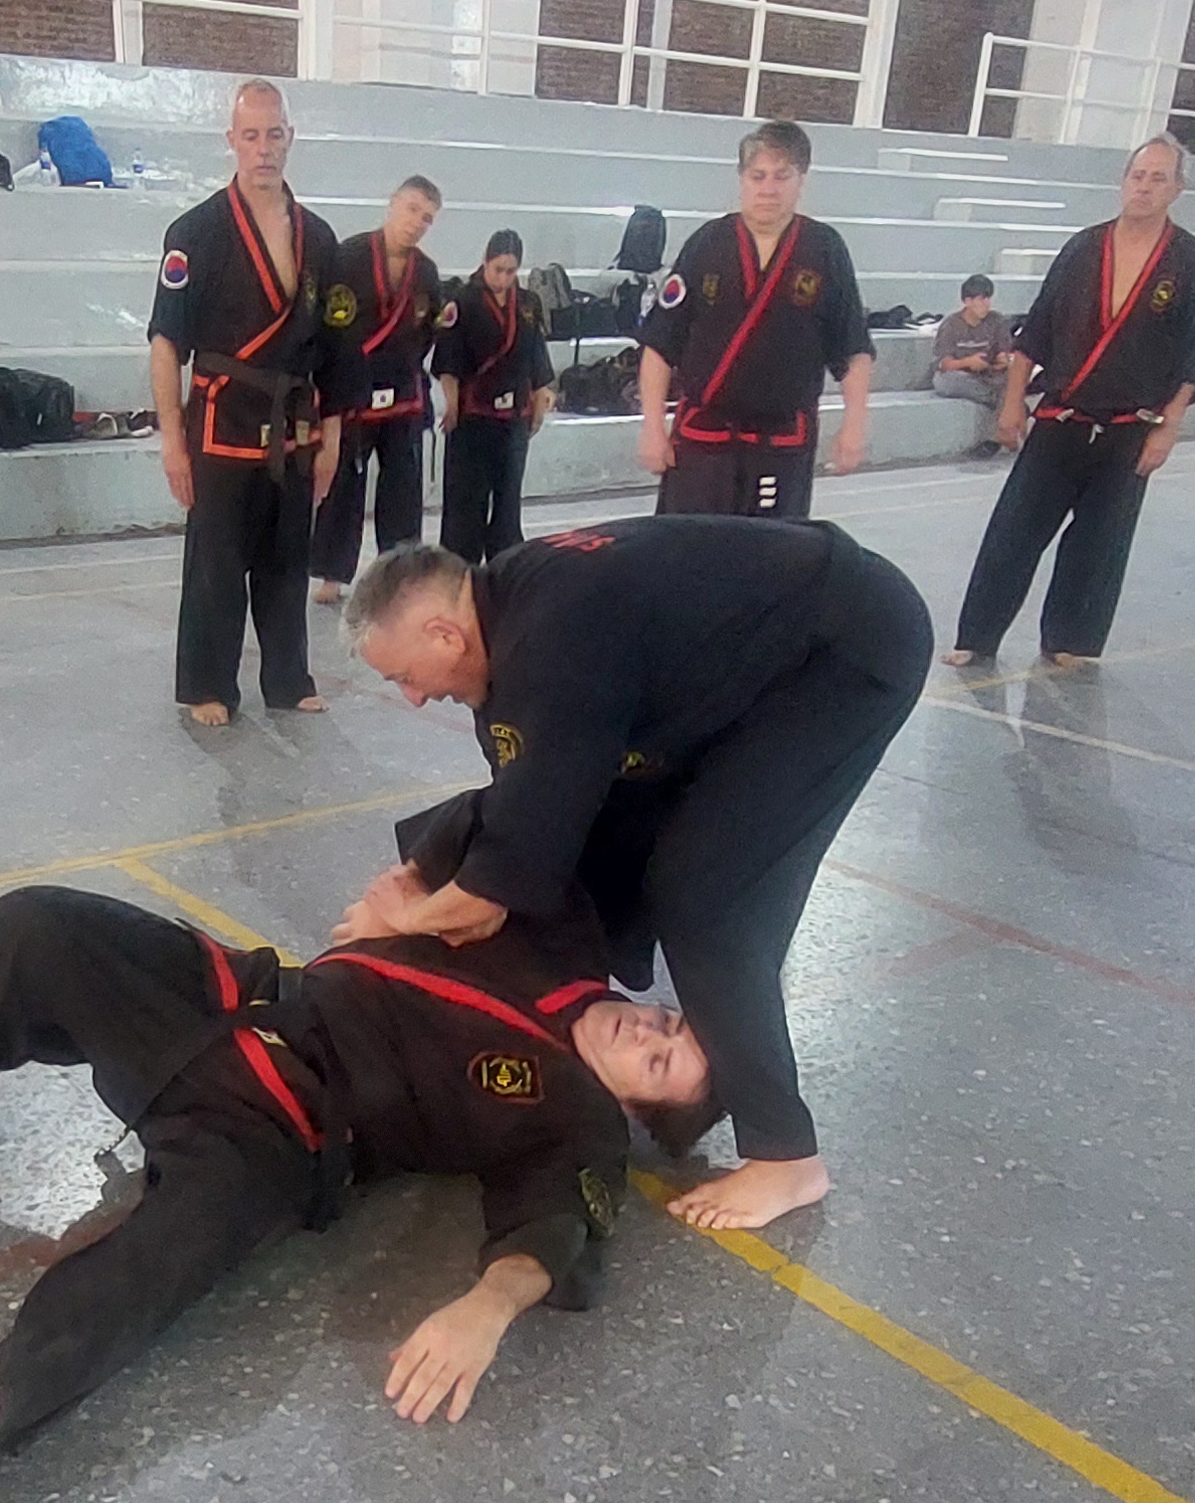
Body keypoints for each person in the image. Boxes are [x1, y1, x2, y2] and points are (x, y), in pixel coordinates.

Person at [0, 883, 714, 1503]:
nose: (648, 1034)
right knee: (31, 922)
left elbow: (556, 1224)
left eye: (660, 1066)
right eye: (668, 1024)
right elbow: (498, 834)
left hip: (281, 1123)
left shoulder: (579, 1123)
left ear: (634, 1113)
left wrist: (487, 1307)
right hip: (234, 998)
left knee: (173, 1251)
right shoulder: (555, 949)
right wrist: (411, 893)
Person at [338, 521, 932, 1231]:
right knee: (608, 831)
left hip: (843, 653)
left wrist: (403, 920)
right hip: (757, 662)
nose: (410, 698)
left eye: (403, 677)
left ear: (444, 635)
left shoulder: (551, 650)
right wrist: (418, 878)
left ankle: (787, 1155)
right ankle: (678, 1014)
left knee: (706, 898)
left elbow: (506, 875)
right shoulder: (510, 622)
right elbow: (517, 812)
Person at [946, 136, 1195, 676]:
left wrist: (1168, 429)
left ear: (1177, 189)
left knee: (1100, 542)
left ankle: (1072, 641)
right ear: (1123, 180)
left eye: (1158, 178)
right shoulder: (1084, 249)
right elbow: (1036, 331)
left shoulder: (1188, 259)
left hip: (1132, 427)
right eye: (1138, 175)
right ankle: (977, 636)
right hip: (1061, 416)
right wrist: (1012, 405)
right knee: (1012, 532)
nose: (1144, 187)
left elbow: (1193, 351)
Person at [148, 80, 342, 725]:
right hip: (221, 419)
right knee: (217, 564)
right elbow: (166, 343)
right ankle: (207, 684)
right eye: (251, 135)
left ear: (291, 138)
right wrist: (171, 439)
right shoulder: (196, 232)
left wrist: (332, 438)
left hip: (294, 425)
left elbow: (337, 349)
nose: (264, 148)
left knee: (288, 559)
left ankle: (287, 679)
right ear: (232, 140)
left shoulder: (319, 238)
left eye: (274, 134)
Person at [637, 119, 873, 520]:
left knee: (773, 552)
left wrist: (854, 426)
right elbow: (660, 344)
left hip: (782, 442)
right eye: (758, 176)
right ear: (741, 179)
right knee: (689, 551)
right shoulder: (707, 243)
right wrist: (652, 427)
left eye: (782, 176)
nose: (768, 189)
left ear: (802, 180)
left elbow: (852, 347)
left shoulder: (824, 248)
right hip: (703, 439)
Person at [311, 175, 444, 602]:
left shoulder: (427, 272)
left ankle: (400, 576)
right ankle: (332, 576)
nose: (417, 223)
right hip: (354, 390)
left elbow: (428, 331)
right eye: (412, 210)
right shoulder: (348, 257)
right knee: (345, 487)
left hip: (403, 394)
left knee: (402, 490)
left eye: (427, 218)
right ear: (392, 204)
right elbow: (330, 327)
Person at [434, 230, 556, 561]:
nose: (503, 278)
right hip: (473, 416)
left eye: (510, 271)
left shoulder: (528, 303)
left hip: (514, 416)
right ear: (485, 262)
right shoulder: (461, 301)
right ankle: (461, 570)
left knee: (508, 502)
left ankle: (505, 567)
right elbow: (448, 360)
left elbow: (537, 355)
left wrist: (540, 397)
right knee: (466, 503)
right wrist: (452, 404)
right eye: (498, 269)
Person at [927, 274, 1012, 447]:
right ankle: (1001, 400)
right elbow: (943, 364)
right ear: (967, 301)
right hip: (961, 375)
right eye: (981, 299)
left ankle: (993, 439)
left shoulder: (997, 320)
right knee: (947, 382)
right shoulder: (951, 324)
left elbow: (1005, 351)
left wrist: (1002, 359)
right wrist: (968, 362)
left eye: (988, 298)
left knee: (1012, 376)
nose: (986, 304)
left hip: (990, 375)